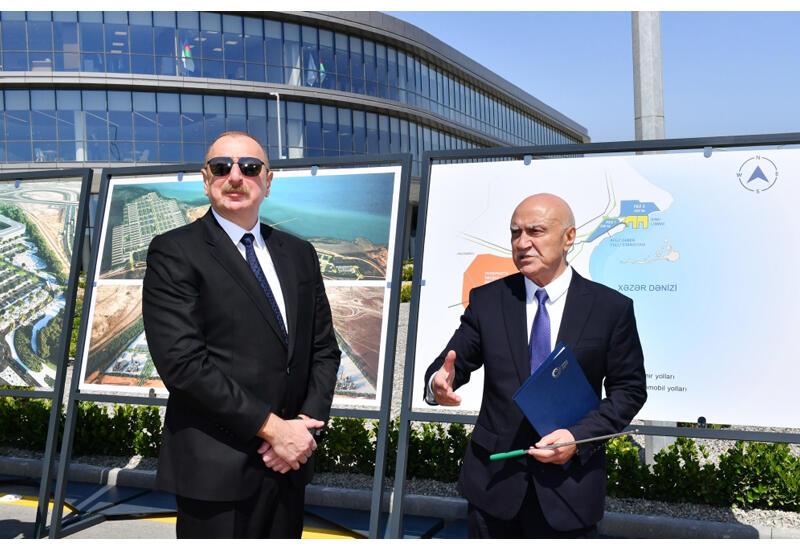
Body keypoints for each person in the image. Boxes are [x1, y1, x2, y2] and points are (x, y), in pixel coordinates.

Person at [142, 131, 340, 538]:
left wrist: (302, 427)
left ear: (268, 181)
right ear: (206, 180)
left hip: (289, 465)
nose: (235, 176)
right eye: (221, 167)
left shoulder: (299, 253)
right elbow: (183, 365)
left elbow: (323, 349)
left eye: (249, 167)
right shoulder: (174, 252)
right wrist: (274, 430)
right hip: (216, 472)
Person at [424, 193, 647, 538]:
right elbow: (453, 361)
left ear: (569, 237)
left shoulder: (610, 309)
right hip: (494, 489)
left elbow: (629, 391)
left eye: (536, 231)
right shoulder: (488, 300)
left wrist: (578, 437)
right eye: (515, 232)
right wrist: (438, 383)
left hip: (570, 493)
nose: (522, 243)